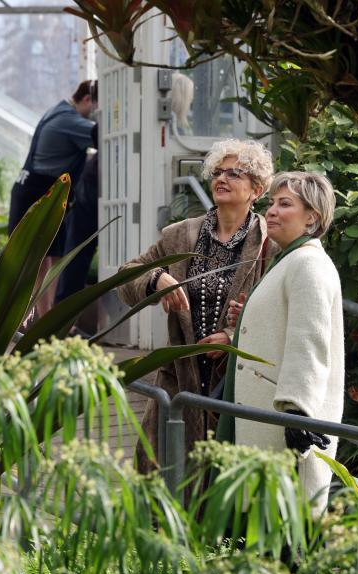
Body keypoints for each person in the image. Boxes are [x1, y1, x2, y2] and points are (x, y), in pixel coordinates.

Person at [117, 139, 278, 475]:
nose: (222, 178)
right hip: (178, 380)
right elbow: (126, 277)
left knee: (222, 482)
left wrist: (235, 337)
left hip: (234, 384)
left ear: (256, 190)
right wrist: (157, 277)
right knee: (162, 471)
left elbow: (280, 315)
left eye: (235, 173)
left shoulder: (269, 245)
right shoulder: (180, 235)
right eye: (218, 171)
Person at [223, 172, 344, 514]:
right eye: (271, 203)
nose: (271, 211)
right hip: (263, 413)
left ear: (312, 217)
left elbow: (309, 344)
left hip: (283, 422)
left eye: (285, 204)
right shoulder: (289, 259)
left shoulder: (308, 264)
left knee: (282, 530)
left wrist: (297, 414)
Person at [9, 80, 98, 318]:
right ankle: (21, 319)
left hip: (35, 189)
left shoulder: (58, 110)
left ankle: (43, 318)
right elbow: (99, 136)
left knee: (46, 259)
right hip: (39, 192)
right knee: (33, 261)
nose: (94, 116)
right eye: (96, 109)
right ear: (87, 100)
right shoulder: (68, 120)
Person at [54, 148, 99, 306]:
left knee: (76, 253)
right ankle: (64, 316)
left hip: (93, 182)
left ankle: (63, 316)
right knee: (76, 255)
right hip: (94, 185)